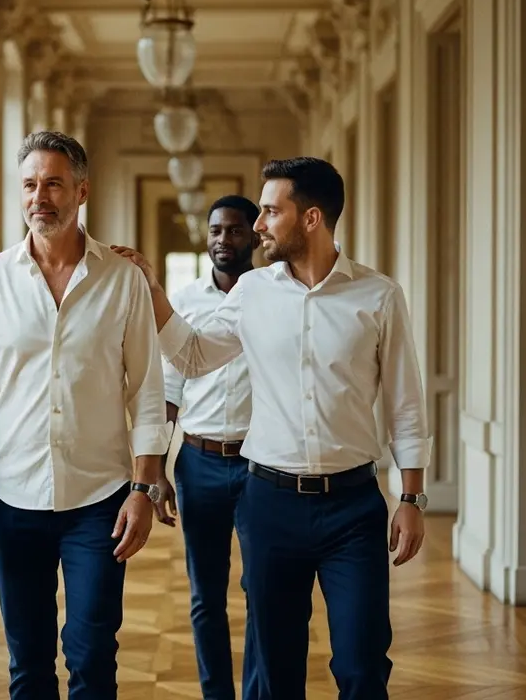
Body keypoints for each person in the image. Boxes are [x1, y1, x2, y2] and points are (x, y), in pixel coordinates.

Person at [112, 157, 431, 700]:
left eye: (268, 211)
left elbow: (406, 403)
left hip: (353, 508)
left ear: (310, 218)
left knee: (361, 665)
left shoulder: (379, 297)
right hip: (270, 503)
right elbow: (192, 356)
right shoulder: (253, 291)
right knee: (276, 669)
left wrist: (413, 497)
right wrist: (153, 289)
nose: (257, 225)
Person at [0, 130, 170, 700]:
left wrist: (143, 490)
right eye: (29, 184)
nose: (39, 196)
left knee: (93, 651)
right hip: (12, 496)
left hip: (102, 499)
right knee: (27, 657)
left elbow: (147, 393)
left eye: (52, 183)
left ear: (81, 191)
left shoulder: (123, 281)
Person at [159, 195, 260, 700]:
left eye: (236, 230)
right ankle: (216, 693)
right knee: (206, 596)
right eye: (217, 230)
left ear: (255, 236)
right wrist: (155, 467)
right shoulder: (185, 300)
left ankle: (258, 691)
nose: (224, 240)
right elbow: (170, 389)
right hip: (198, 463)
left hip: (262, 465)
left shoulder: (272, 295)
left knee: (260, 591)